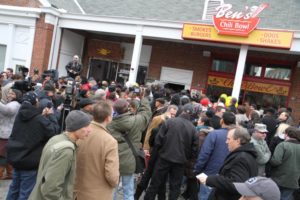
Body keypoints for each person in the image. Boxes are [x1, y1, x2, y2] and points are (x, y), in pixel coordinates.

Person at [6, 91, 60, 200]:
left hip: (17, 159)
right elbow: (53, 131)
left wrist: (41, 116)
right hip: (30, 162)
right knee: (25, 193)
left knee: (14, 189)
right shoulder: (39, 119)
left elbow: (32, 123)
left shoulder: (20, 116)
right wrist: (50, 116)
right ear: (36, 102)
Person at [29, 110, 91, 200]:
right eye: (86, 126)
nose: (90, 130)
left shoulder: (56, 139)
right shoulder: (66, 151)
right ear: (76, 128)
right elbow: (51, 190)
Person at [144, 104, 198, 200]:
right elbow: (194, 151)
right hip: (180, 162)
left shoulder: (169, 122)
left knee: (154, 185)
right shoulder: (193, 129)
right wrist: (186, 159)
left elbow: (158, 141)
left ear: (181, 111)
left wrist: (158, 154)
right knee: (175, 188)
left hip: (164, 158)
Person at [107, 91, 152, 200]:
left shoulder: (109, 124)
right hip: (130, 161)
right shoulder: (136, 121)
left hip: (113, 161)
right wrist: (144, 98)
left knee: (112, 189)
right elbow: (146, 113)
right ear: (128, 108)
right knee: (128, 190)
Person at [197, 126, 258, 200]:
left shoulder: (242, 158)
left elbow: (236, 184)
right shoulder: (245, 155)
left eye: (229, 139)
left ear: (238, 141)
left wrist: (210, 179)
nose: (226, 142)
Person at [74, 102, 119, 200]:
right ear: (108, 118)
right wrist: (116, 182)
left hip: (76, 191)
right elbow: (112, 176)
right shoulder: (110, 141)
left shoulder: (79, 131)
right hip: (98, 194)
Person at [194, 111, 236, 200]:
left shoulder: (214, 134)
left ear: (222, 121)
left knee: (204, 196)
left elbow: (204, 154)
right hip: (227, 177)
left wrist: (197, 169)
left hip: (210, 174)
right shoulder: (238, 137)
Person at [270, 126, 300, 200]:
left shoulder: (283, 145)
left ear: (286, 134)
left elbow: (276, 161)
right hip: (293, 180)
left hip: (279, 178)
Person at [0, 89, 22, 179]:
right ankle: (10, 173)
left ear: (17, 96)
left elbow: (7, 110)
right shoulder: (10, 103)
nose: (9, 95)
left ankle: (2, 173)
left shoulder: (15, 104)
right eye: (9, 93)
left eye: (12, 93)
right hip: (6, 132)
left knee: (2, 154)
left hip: (6, 133)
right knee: (6, 154)